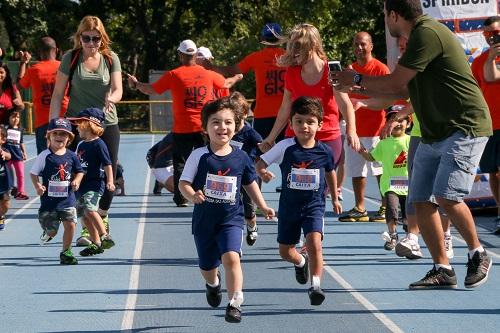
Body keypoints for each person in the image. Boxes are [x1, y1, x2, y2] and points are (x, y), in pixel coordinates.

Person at [333, 0, 493, 289]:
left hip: (463, 126)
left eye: (385, 16)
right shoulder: (416, 39)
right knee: (420, 200)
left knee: (446, 195)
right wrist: (354, 88)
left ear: (394, 15)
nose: (386, 22)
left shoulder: (426, 32)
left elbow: (395, 84)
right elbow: (403, 90)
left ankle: (477, 253)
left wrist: (356, 78)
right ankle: (442, 268)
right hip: (435, 132)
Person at [179, 97, 275, 323]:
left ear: (236, 125)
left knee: (232, 258)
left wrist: (262, 206)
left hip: (231, 219)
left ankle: (234, 303)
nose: (222, 127)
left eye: (228, 122)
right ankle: (213, 284)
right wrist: (192, 195)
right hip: (204, 222)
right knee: (207, 267)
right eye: (216, 122)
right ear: (205, 128)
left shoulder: (241, 156)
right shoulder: (199, 155)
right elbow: (184, 183)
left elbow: (249, 183)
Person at [128, 39, 238, 207]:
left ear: (180, 55)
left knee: (181, 163)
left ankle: (181, 198)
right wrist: (237, 76)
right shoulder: (207, 74)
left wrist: (136, 84)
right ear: (195, 55)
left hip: (182, 128)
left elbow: (150, 89)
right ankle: (209, 192)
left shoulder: (174, 74)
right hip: (204, 127)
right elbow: (226, 83)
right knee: (207, 159)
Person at [256, 96, 342, 305]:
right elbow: (260, 163)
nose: (305, 126)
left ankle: (316, 285)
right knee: (285, 251)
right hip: (289, 208)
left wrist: (334, 197)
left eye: (310, 122)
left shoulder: (324, 151)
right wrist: (264, 172)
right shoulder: (285, 147)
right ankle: (300, 262)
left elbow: (330, 172)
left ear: (320, 124)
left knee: (314, 243)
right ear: (291, 123)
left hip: (314, 205)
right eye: (299, 121)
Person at [50, 16, 122, 233]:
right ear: (79, 38)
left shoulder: (111, 59)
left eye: (96, 39)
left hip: (106, 124)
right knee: (78, 176)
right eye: (87, 38)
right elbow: (57, 95)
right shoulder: (70, 59)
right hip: (77, 125)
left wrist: (113, 99)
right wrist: (55, 126)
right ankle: (87, 227)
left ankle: (102, 215)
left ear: (102, 39)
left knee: (109, 172)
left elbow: (118, 89)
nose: (91, 43)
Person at [259, 23, 360, 167]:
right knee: (293, 185)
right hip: (296, 136)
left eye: (299, 45)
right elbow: (285, 108)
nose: (294, 51)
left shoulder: (331, 71)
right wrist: (270, 138)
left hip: (326, 137)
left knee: (322, 187)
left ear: (312, 44)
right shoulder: (292, 72)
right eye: (292, 45)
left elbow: (344, 104)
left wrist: (352, 130)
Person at [339, 32, 389, 223]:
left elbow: (387, 100)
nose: (359, 48)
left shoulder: (380, 69)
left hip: (376, 130)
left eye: (363, 44)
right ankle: (360, 208)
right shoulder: (349, 70)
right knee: (356, 170)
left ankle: (386, 207)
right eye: (356, 44)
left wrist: (364, 103)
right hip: (354, 130)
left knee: (379, 171)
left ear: (371, 46)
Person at [207, 23, 287, 140]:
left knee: (260, 153)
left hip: (263, 113)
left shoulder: (256, 57)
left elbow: (231, 70)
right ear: (280, 38)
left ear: (262, 39)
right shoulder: (289, 57)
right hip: (284, 113)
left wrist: (211, 67)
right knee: (286, 151)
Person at [30, 118, 84, 264]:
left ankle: (66, 252)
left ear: (69, 138)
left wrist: (76, 180)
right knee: (52, 231)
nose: (59, 136)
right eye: (56, 133)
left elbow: (80, 171)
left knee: (71, 224)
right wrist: (37, 186)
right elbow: (34, 173)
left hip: (67, 199)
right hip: (49, 202)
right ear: (49, 136)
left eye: (63, 134)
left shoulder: (72, 155)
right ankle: (48, 231)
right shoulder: (44, 156)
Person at [358, 110, 410, 250]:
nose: (397, 124)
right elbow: (371, 157)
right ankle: (393, 236)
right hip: (390, 184)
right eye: (393, 120)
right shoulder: (383, 143)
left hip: (409, 185)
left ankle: (409, 238)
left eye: (401, 120)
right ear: (387, 124)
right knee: (392, 209)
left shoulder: (411, 141)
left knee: (408, 215)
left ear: (408, 123)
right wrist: (361, 150)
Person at [68, 107, 115, 256]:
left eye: (78, 123)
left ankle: (104, 236)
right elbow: (75, 163)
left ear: (88, 125)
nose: (76, 127)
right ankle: (96, 243)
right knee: (84, 214)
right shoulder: (81, 144)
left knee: (90, 209)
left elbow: (108, 164)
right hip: (81, 185)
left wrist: (110, 181)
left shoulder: (98, 144)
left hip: (94, 183)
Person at [471, 16, 500, 234]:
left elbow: (493, 77)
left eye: (497, 32)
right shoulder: (479, 61)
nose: (493, 37)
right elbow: (479, 89)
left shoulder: (488, 61)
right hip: (490, 124)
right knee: (493, 173)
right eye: (489, 33)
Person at [17, 37, 69, 154]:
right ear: (56, 50)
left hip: (43, 121)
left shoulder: (34, 70)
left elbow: (19, 85)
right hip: (64, 118)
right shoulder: (65, 67)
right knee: (68, 156)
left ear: (40, 52)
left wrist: (23, 63)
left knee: (44, 157)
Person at [229, 91, 263, 246]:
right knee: (230, 210)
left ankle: (252, 225)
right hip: (229, 175)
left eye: (238, 116)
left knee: (249, 210)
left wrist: (262, 166)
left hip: (249, 176)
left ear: (244, 114)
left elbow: (263, 148)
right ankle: (233, 241)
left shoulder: (250, 133)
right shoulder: (226, 131)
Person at [5, 109, 28, 200]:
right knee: (7, 174)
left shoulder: (20, 129)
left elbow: (21, 142)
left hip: (18, 156)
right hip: (8, 156)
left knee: (20, 174)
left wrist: (24, 153)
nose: (16, 119)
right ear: (9, 118)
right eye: (13, 117)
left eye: (18, 117)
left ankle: (21, 192)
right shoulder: (5, 128)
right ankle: (9, 189)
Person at [0, 126, 13, 230]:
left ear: (3, 139)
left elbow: (9, 156)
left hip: (4, 182)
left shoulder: (4, 150)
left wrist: (3, 154)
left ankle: (1, 215)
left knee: (6, 205)